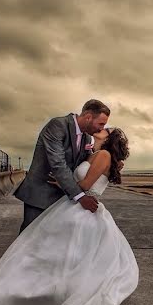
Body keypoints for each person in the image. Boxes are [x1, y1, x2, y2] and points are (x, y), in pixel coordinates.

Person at [0, 128, 136, 305]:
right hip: (71, 209)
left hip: (82, 213)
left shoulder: (103, 156)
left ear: (107, 137)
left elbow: (85, 186)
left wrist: (63, 184)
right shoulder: (94, 153)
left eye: (104, 129)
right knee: (52, 264)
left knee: (61, 265)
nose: (99, 130)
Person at [13, 99, 111, 233]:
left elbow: (88, 163)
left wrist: (114, 162)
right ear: (88, 117)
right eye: (101, 123)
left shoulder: (87, 138)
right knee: (29, 235)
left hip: (63, 198)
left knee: (51, 240)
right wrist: (80, 196)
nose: (102, 128)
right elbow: (58, 164)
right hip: (40, 194)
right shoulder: (58, 125)